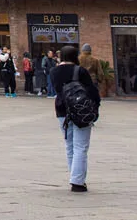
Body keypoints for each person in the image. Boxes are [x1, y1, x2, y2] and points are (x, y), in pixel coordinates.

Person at [51, 44, 100, 192]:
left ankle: (75, 177)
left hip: (62, 110)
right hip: (80, 110)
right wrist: (95, 109)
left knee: (70, 146)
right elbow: (92, 92)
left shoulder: (54, 71)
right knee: (81, 147)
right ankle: (78, 181)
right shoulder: (80, 71)